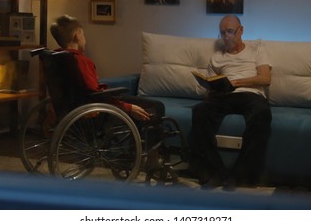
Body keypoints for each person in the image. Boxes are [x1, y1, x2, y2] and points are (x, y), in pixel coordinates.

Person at [49, 14, 163, 168]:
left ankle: (134, 154)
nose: (84, 38)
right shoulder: (81, 61)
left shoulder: (56, 58)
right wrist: (127, 107)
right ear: (77, 36)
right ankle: (151, 159)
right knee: (155, 107)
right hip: (94, 113)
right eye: (83, 34)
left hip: (71, 111)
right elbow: (96, 95)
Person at [188, 15, 272, 190]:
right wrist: (211, 88)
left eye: (230, 32)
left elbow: (265, 78)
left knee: (262, 113)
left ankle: (240, 176)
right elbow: (211, 85)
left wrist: (235, 83)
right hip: (224, 96)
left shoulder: (257, 49)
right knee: (200, 111)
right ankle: (215, 173)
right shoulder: (216, 57)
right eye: (222, 33)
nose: (226, 36)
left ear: (241, 31)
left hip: (250, 94)